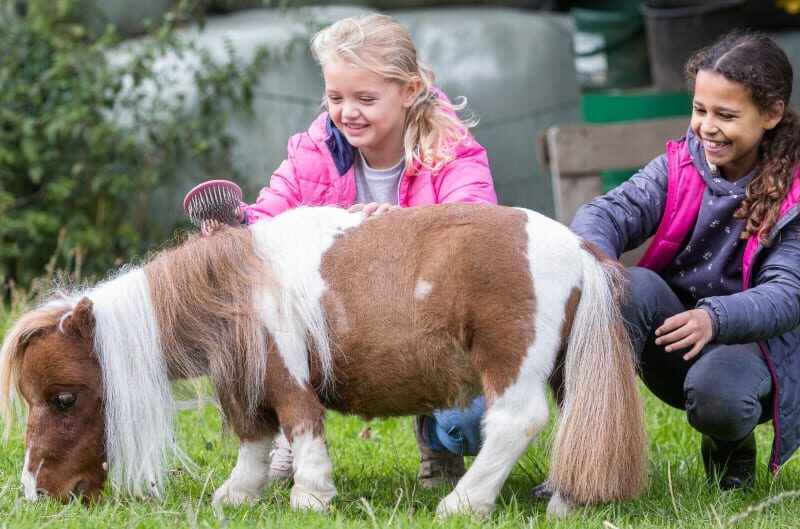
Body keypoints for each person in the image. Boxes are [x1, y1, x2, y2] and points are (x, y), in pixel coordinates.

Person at [424, 31, 800, 495]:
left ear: (772, 114)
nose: (706, 126)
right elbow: (607, 212)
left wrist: (714, 317)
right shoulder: (681, 166)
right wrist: (592, 263)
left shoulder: (794, 196)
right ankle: (584, 462)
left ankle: (730, 443)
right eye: (700, 110)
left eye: (726, 115)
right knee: (623, 286)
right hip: (675, 331)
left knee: (719, 399)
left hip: (754, 344)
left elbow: (786, 294)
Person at [192, 14, 497, 487]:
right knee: (268, 308)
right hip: (337, 320)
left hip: (426, 318)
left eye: (365, 99)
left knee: (469, 424)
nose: (347, 111)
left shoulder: (450, 150)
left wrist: (403, 226)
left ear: (410, 90)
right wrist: (239, 226)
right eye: (336, 98)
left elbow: (477, 223)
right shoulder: (314, 152)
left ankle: (439, 442)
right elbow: (272, 212)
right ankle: (294, 432)